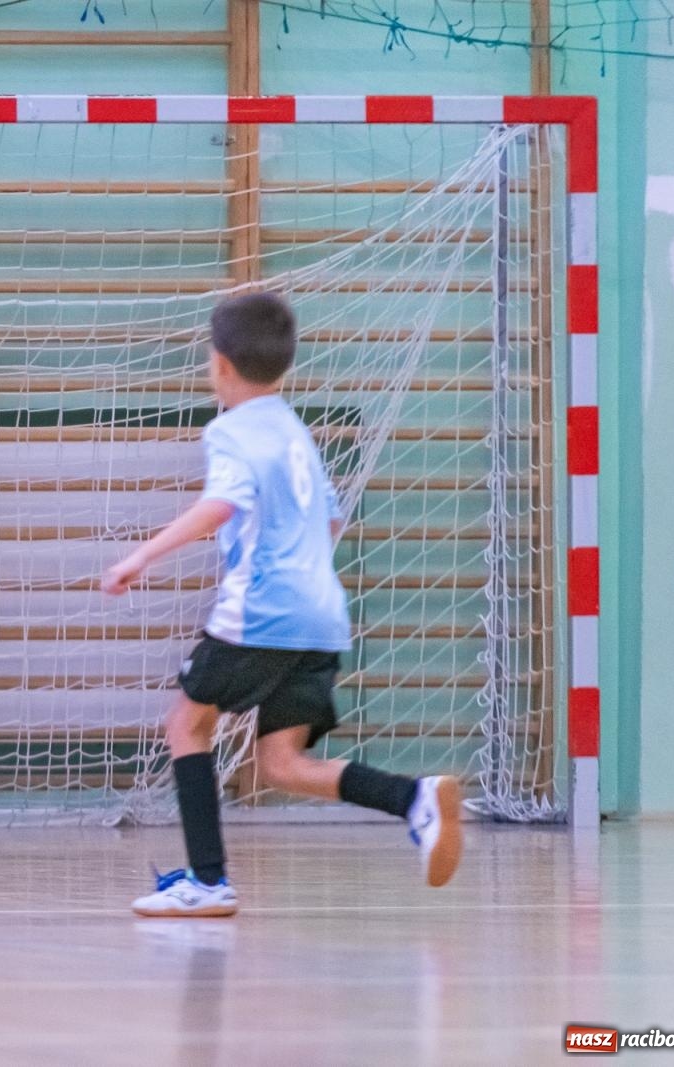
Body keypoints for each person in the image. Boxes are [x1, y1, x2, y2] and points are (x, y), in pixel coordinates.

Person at [101, 292, 461, 918]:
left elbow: (221, 506)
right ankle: (415, 799)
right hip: (322, 617)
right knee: (282, 764)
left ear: (219, 364)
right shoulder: (296, 433)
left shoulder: (230, 431)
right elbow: (329, 521)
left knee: (186, 725)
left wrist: (142, 556)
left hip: (262, 612)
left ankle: (207, 882)